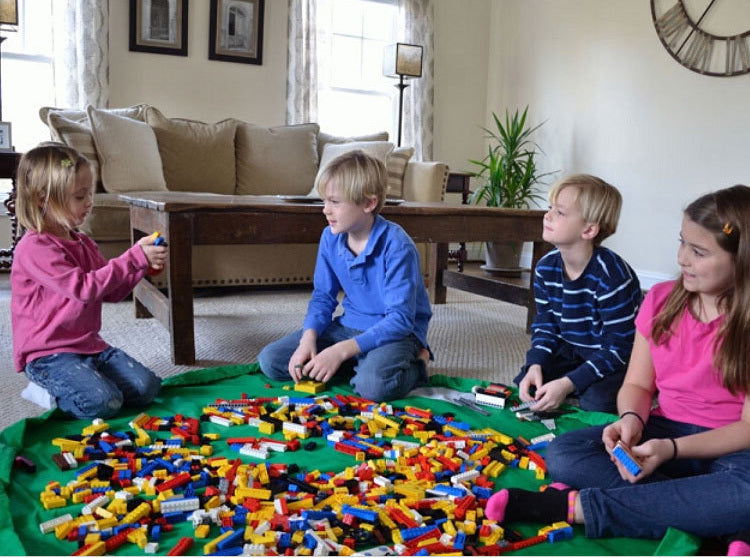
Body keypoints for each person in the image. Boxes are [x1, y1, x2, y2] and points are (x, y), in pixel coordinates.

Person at [485, 185, 750, 543]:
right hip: (664, 430)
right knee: (566, 452)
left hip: (734, 447)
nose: (682, 258)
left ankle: (575, 508)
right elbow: (638, 385)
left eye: (699, 251)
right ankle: (707, 516)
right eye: (682, 242)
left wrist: (670, 450)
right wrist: (631, 421)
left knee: (744, 493)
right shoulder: (660, 300)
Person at [258, 150, 431, 401]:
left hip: (395, 332)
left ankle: (419, 364)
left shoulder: (397, 246)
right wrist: (309, 337)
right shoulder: (330, 236)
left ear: (368, 203)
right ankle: (356, 361)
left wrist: (340, 351)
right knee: (272, 361)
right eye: (324, 201)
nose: (325, 210)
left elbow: (401, 320)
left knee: (373, 387)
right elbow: (323, 297)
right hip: (349, 325)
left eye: (335, 202)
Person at [11, 143, 167, 419]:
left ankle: (87, 377)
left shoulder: (82, 242)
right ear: (41, 199)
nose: (89, 203)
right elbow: (83, 288)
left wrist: (142, 265)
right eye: (79, 196)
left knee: (147, 389)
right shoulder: (35, 247)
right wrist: (133, 258)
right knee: (102, 403)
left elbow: (110, 292)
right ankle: (46, 389)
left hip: (89, 346)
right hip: (48, 354)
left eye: (90, 194)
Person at [515, 174, 642, 413]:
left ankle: (576, 386)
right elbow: (545, 325)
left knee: (596, 402)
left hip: (618, 357)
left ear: (589, 229)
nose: (548, 215)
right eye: (550, 207)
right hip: (573, 349)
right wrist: (535, 364)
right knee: (529, 382)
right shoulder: (545, 268)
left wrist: (567, 383)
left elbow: (620, 348)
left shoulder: (612, 276)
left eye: (560, 212)